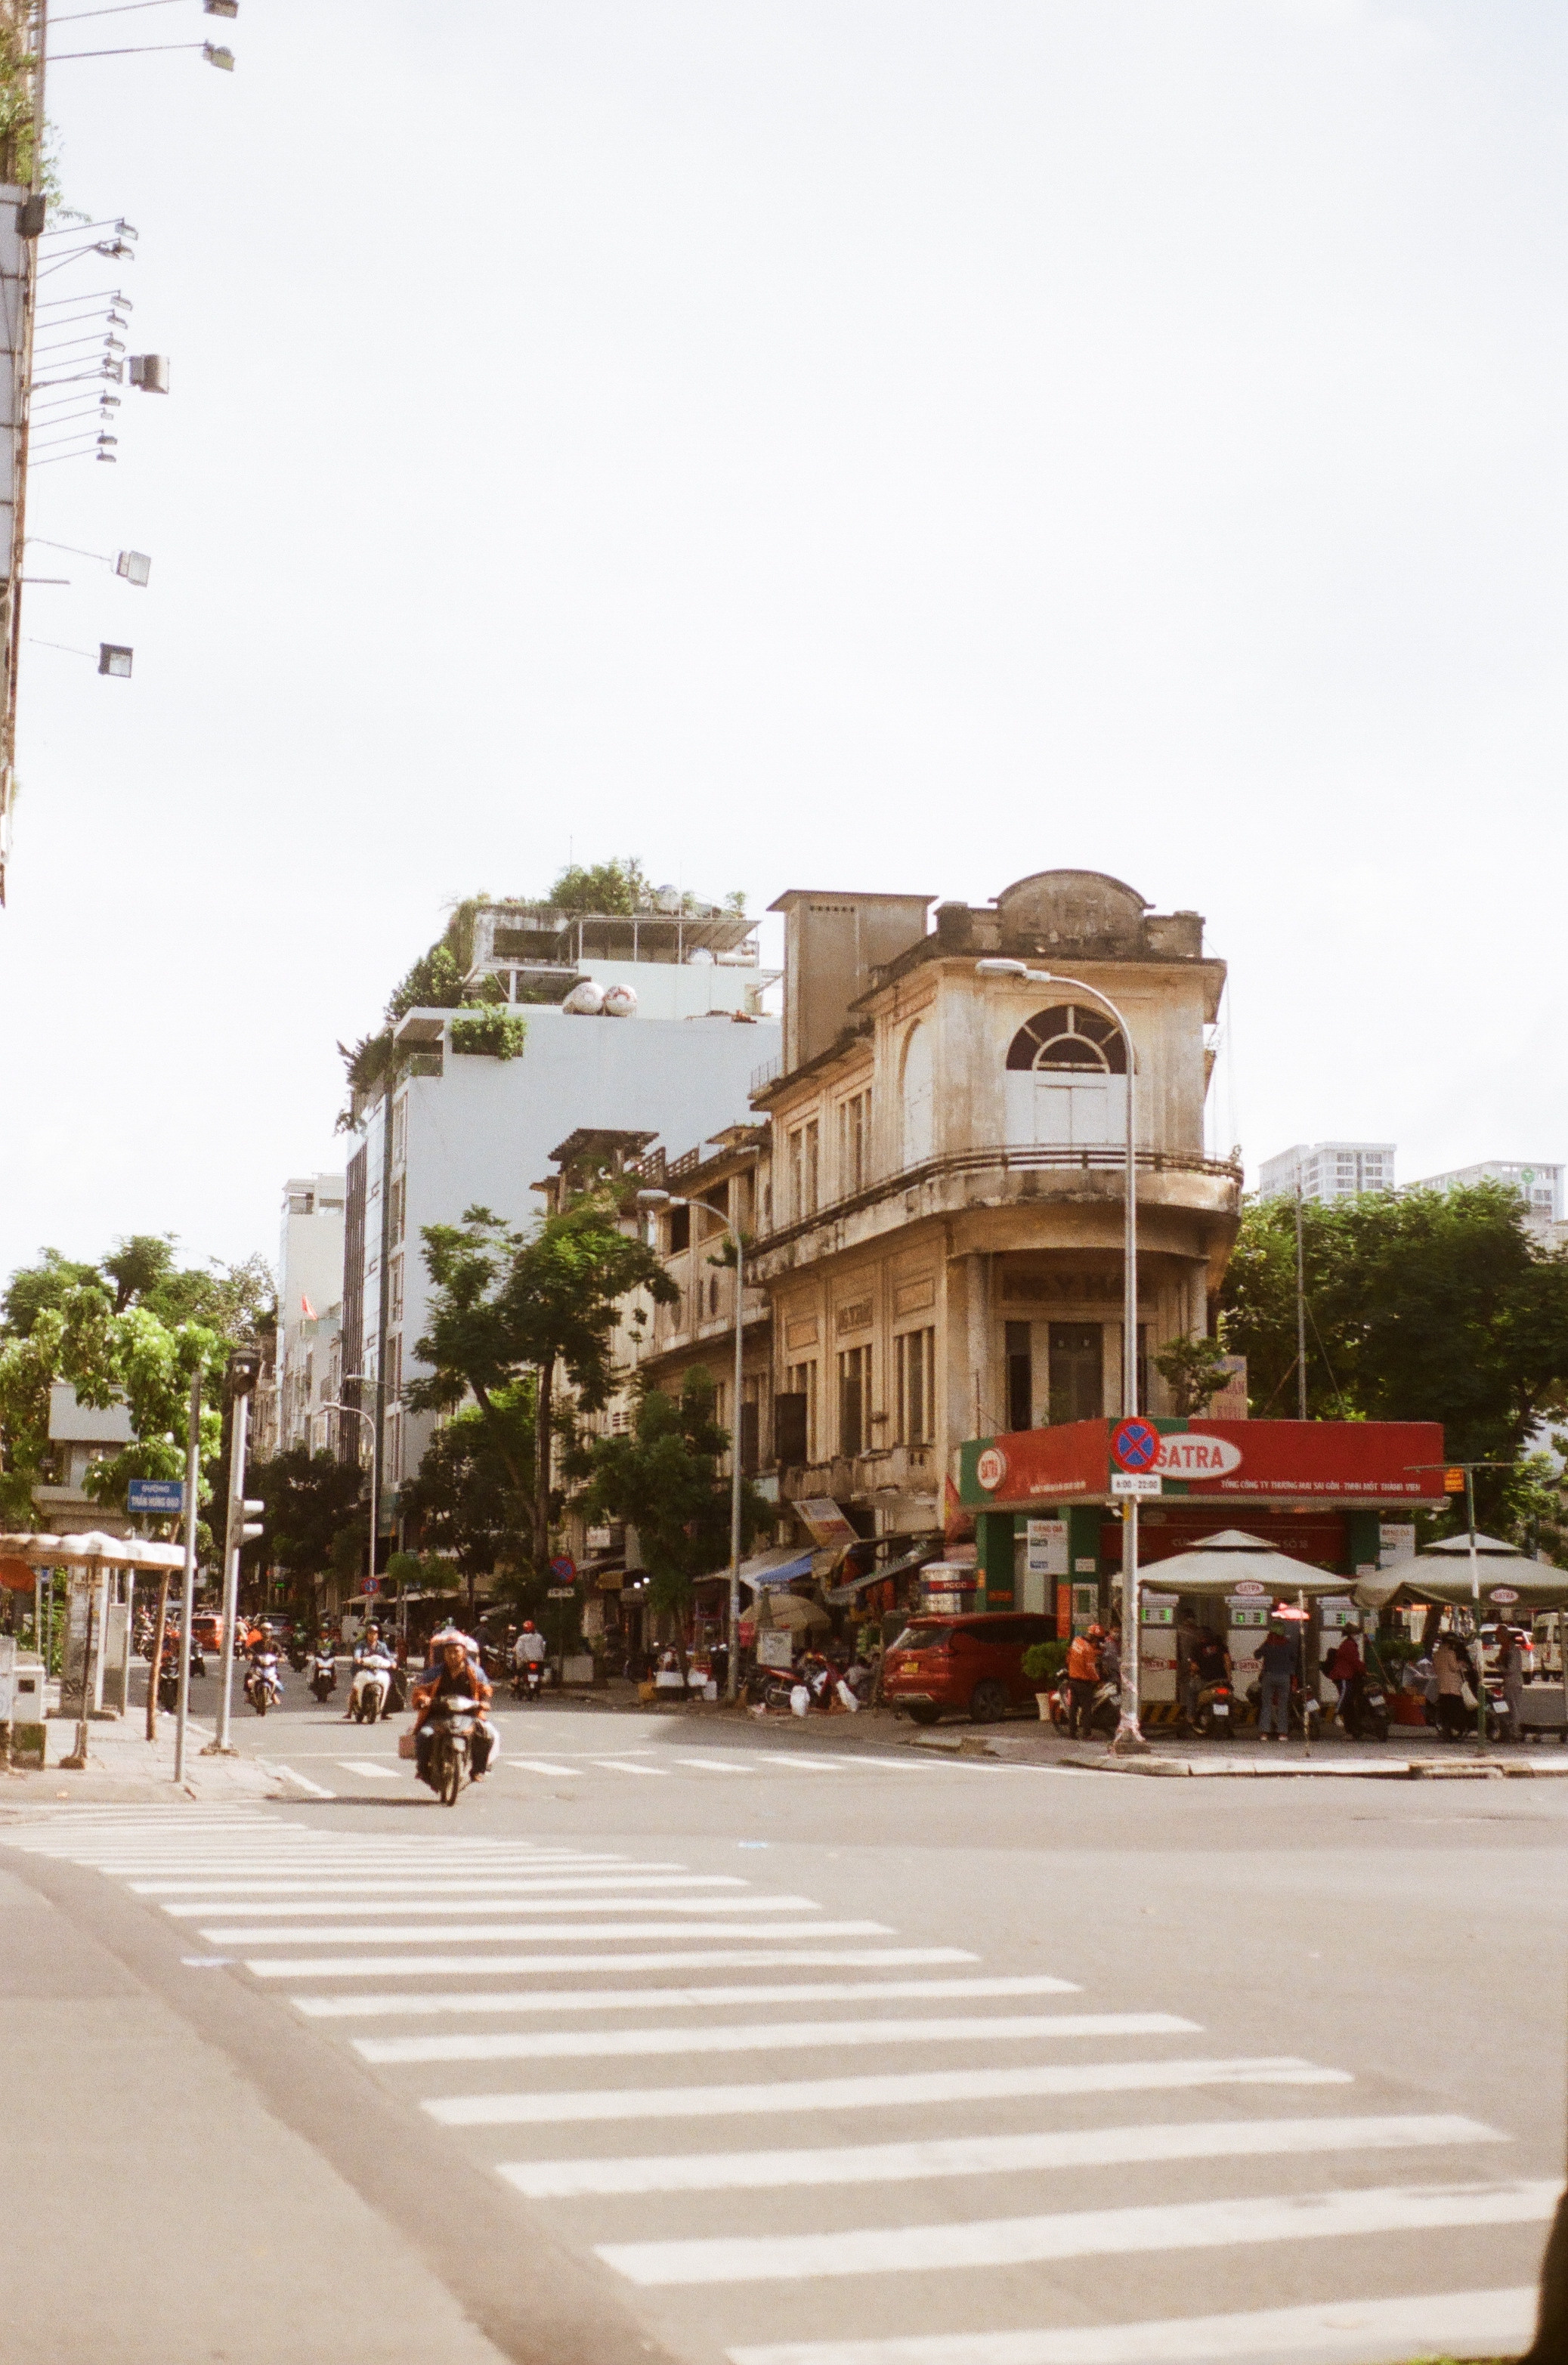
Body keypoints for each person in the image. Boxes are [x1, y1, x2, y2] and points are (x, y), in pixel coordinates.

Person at [412, 1634, 495, 1788]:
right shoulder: (435, 1672)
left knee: (487, 1735)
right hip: (438, 1715)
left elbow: (486, 1690)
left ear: (464, 1652)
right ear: (444, 1654)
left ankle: (478, 1770)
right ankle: (422, 1769)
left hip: (468, 1715)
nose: (452, 1655)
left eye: (456, 1651)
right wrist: (424, 1699)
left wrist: (484, 1702)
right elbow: (420, 1690)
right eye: (449, 1652)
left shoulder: (476, 1672)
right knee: (424, 1736)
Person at [1256, 1617, 1296, 1740]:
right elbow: (1294, 1657)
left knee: (1267, 1704)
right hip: (1284, 1677)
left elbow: (1257, 1655)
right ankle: (1282, 1734)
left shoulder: (1268, 1644)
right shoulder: (1288, 1645)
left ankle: (1264, 1733)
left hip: (1269, 1676)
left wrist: (1266, 1646)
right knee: (1283, 1705)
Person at [1065, 1624, 1104, 1741]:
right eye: (1098, 1639)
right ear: (1094, 1637)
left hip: (1072, 1679)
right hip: (1084, 1683)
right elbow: (1091, 1669)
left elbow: (1071, 1655)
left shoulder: (1076, 1641)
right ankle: (1087, 1734)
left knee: (1073, 1708)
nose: (1098, 1642)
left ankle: (1072, 1733)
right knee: (1087, 1710)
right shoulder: (1089, 1651)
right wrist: (1098, 1679)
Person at [1432, 1632, 1468, 1739]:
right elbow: (1454, 1667)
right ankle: (1457, 1727)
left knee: (1446, 1709)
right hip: (1453, 1685)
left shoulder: (1437, 1653)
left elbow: (1436, 1667)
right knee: (1455, 1708)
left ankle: (1446, 1729)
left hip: (1442, 1684)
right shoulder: (1450, 1653)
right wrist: (1461, 1663)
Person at [1495, 1626, 1525, 1742]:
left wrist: (1498, 1666)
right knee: (1505, 1707)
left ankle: (1515, 1732)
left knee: (1513, 1707)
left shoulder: (1511, 1650)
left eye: (1498, 1636)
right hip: (1508, 1682)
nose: (1497, 1638)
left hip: (1513, 1681)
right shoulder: (1504, 1649)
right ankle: (1507, 1730)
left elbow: (1510, 1669)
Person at [1328, 1627, 1362, 1720]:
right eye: (1356, 1634)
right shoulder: (1349, 1645)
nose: (1358, 1636)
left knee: (1349, 1697)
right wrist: (1364, 1670)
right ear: (1352, 1634)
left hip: (1346, 1674)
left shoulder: (1350, 1644)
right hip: (1343, 1675)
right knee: (1345, 1693)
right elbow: (1355, 1661)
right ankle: (1337, 1714)